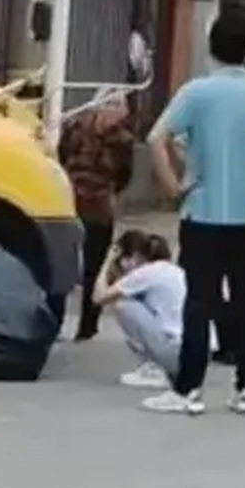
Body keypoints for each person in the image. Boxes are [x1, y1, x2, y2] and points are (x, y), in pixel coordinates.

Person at [145, 11, 245, 415]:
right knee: (244, 302)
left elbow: (155, 138)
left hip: (201, 212)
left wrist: (172, 185)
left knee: (198, 301)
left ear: (210, 45)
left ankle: (189, 389)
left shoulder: (196, 92)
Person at [57, 95, 135, 341]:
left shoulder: (123, 140)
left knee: (95, 266)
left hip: (100, 205)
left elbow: (125, 174)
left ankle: (88, 325)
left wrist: (109, 191)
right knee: (62, 263)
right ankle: (55, 321)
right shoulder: (75, 128)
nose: (113, 111)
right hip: (71, 199)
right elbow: (62, 156)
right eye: (109, 104)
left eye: (118, 106)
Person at [92, 230, 185, 391]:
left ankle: (156, 368)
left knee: (122, 304)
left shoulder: (144, 274)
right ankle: (158, 365)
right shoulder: (172, 270)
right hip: (194, 353)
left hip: (175, 353)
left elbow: (98, 297)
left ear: (132, 257)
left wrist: (106, 262)